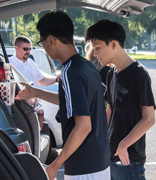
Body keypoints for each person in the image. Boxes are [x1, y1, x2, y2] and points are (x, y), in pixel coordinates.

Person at [15, 11, 110, 180]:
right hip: (100, 161)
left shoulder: (70, 72)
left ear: (51, 40)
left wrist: (55, 166)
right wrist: (35, 92)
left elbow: (83, 126)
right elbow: (72, 101)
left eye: (41, 41)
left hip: (83, 166)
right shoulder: (87, 67)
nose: (42, 46)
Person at [85, 20, 156, 180]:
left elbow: (149, 119)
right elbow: (109, 112)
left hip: (129, 161)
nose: (95, 54)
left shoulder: (139, 74)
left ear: (114, 44)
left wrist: (124, 145)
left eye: (98, 48)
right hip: (111, 156)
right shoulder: (111, 74)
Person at [9, 35, 57, 129]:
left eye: (30, 49)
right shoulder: (10, 63)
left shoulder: (31, 63)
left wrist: (56, 79)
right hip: (20, 106)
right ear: (16, 48)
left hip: (34, 105)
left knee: (39, 131)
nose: (28, 52)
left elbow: (41, 81)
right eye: (25, 49)